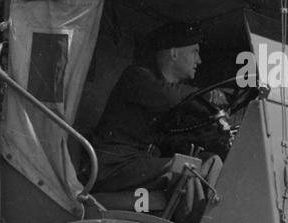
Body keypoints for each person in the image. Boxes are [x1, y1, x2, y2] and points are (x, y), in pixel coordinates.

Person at [91, 22, 219, 200]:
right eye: (194, 52)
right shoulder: (137, 77)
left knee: (212, 161)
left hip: (137, 162)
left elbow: (166, 137)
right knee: (186, 171)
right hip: (112, 165)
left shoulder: (173, 94)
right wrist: (208, 96)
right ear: (174, 53)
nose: (199, 60)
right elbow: (169, 96)